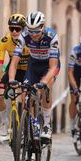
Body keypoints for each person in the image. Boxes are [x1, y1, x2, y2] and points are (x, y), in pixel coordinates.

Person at [9, 11, 60, 140]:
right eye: (30, 31)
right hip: (33, 64)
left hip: (49, 65)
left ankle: (47, 125)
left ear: (42, 28)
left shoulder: (52, 37)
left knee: (46, 88)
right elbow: (14, 62)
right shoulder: (24, 36)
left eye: (36, 31)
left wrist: (43, 82)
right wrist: (11, 79)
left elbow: (53, 66)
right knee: (26, 92)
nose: (33, 34)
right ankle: (33, 123)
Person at [0, 14, 29, 135]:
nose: (14, 31)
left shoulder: (29, 40)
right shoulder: (5, 41)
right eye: (11, 28)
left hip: (28, 70)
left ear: (23, 29)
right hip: (13, 69)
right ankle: (4, 121)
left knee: (25, 97)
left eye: (17, 29)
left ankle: (28, 122)